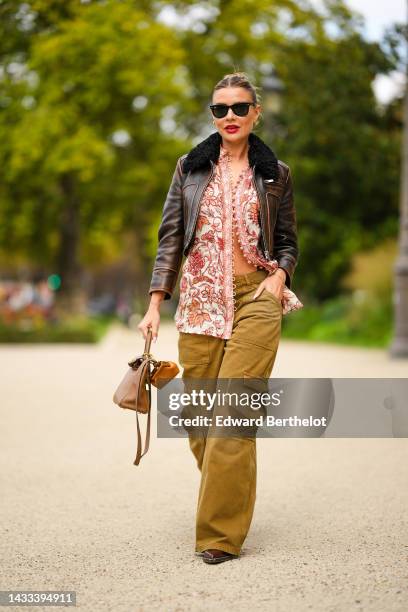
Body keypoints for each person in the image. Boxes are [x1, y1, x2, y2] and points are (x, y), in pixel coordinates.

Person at [138, 72, 303, 564]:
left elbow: (288, 242)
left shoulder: (277, 174)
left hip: (257, 297)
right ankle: (227, 495)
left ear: (256, 113)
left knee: (233, 413)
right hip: (201, 300)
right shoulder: (189, 167)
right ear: (212, 115)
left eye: (239, 107)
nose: (229, 116)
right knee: (199, 420)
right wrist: (153, 302)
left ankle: (218, 536)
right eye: (220, 109)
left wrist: (280, 278)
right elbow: (171, 238)